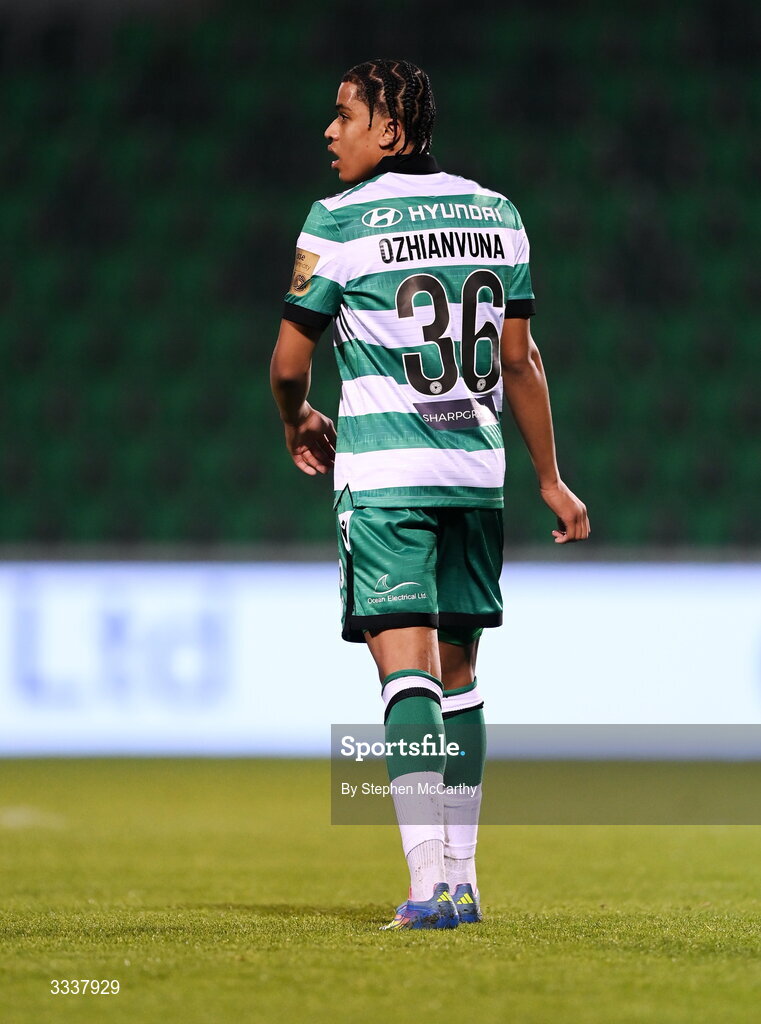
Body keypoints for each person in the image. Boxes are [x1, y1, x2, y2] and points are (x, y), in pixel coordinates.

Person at [270, 58, 590, 930]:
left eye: (344, 115)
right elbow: (519, 361)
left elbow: (289, 363)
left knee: (402, 670)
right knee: (462, 674)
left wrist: (297, 418)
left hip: (385, 477)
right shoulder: (497, 213)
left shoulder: (334, 221)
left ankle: (422, 886)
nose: (329, 131)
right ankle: (464, 881)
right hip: (474, 474)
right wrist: (549, 479)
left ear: (391, 131)